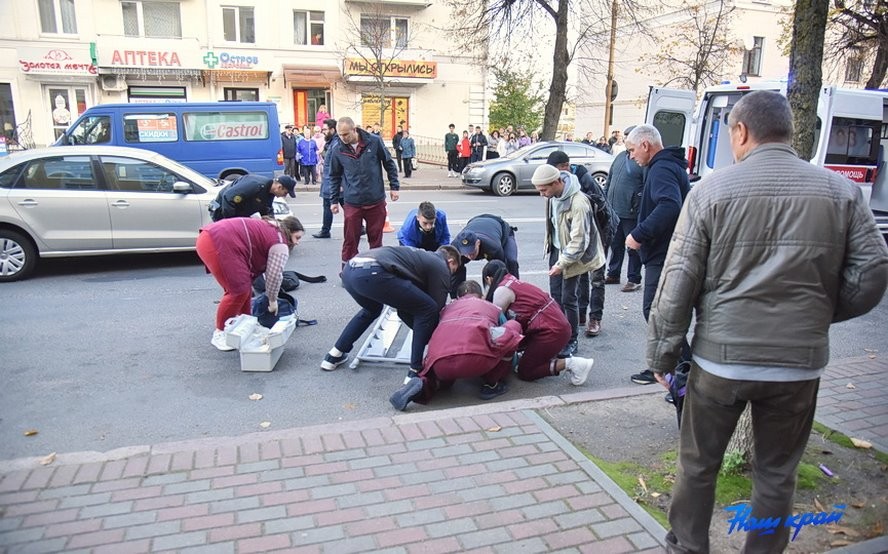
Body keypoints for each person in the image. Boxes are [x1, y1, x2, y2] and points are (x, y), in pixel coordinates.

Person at [648, 90, 888, 554]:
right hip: (797, 367)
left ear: (740, 132)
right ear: (790, 132)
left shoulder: (711, 192)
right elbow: (874, 270)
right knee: (777, 473)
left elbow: (677, 281)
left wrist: (662, 352)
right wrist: (821, 313)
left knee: (698, 465)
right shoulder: (840, 191)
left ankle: (688, 547)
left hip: (721, 363)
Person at [320, 245, 462, 382]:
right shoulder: (440, 264)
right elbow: (435, 308)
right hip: (374, 272)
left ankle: (334, 356)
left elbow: (406, 304)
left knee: (371, 310)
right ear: (451, 262)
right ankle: (415, 371)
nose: (450, 275)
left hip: (351, 270)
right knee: (427, 308)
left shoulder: (419, 257)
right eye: (453, 271)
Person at [624, 124, 691, 386]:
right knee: (661, 315)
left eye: (631, 150)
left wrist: (639, 234)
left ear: (645, 144)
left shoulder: (661, 168)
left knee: (656, 313)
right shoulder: (666, 165)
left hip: (663, 255)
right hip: (666, 252)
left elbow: (669, 206)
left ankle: (682, 369)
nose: (631, 156)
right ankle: (670, 368)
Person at [390, 280, 525, 410]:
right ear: (482, 296)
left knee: (443, 348)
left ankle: (425, 383)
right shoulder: (492, 307)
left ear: (458, 297)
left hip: (440, 363)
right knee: (513, 327)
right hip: (478, 358)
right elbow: (504, 337)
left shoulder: (445, 310)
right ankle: (492, 384)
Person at [196, 216, 305, 351]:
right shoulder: (280, 244)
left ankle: (247, 324)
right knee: (237, 291)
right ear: (289, 232)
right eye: (297, 237)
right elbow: (274, 276)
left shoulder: (273, 228)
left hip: (213, 237)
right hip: (218, 242)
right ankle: (220, 333)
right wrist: (272, 300)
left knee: (244, 288)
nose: (297, 243)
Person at [531, 164, 604, 358]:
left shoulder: (579, 203)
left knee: (568, 298)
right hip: (558, 251)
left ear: (557, 182)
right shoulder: (553, 196)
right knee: (556, 297)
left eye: (544, 190)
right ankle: (559, 335)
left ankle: (572, 341)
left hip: (573, 257)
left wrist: (561, 264)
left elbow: (579, 242)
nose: (542, 195)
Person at [482, 260, 595, 385]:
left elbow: (494, 322)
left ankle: (573, 364)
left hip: (551, 331)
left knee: (525, 371)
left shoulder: (502, 290)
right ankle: (537, 358)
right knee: (519, 342)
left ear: (488, 279)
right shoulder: (513, 281)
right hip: (556, 326)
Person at [546, 151, 610, 338]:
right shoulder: (553, 191)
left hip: (595, 234)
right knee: (571, 288)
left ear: (565, 167)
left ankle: (594, 317)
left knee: (596, 278)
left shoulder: (584, 182)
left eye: (555, 170)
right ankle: (578, 316)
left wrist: (601, 240)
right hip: (570, 243)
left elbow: (601, 210)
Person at [328, 117, 400, 267]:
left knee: (376, 238)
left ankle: (376, 267)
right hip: (353, 202)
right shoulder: (337, 149)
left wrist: (394, 186)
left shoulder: (374, 141)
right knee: (350, 239)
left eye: (346, 134)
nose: (343, 138)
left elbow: (388, 163)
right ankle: (347, 269)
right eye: (340, 135)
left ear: (354, 130)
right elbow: (334, 176)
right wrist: (333, 200)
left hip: (375, 199)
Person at [604, 125, 644, 292]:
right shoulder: (620, 156)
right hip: (614, 210)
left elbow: (644, 186)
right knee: (616, 243)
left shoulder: (641, 160)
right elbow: (610, 178)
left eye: (629, 136)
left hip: (631, 212)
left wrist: (637, 203)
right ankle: (613, 273)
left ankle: (634, 278)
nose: (626, 139)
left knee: (632, 246)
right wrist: (605, 200)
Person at [451, 213, 519, 296]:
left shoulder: (493, 247)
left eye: (472, 251)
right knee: (457, 267)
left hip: (501, 229)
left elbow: (500, 273)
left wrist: (491, 298)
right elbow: (452, 273)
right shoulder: (455, 248)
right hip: (476, 221)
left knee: (511, 261)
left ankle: (516, 293)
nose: (469, 256)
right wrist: (455, 297)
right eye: (466, 253)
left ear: (478, 243)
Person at [218, 174, 297, 220]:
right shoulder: (256, 185)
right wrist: (232, 222)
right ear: (279, 187)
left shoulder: (270, 193)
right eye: (285, 193)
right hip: (221, 212)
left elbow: (266, 210)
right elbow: (228, 197)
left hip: (239, 216)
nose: (284, 196)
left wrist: (272, 223)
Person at [313, 118, 340, 239]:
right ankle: (359, 228)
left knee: (329, 205)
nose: (323, 132)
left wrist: (341, 183)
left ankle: (325, 231)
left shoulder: (336, 144)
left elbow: (339, 164)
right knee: (342, 204)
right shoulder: (331, 143)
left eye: (325, 129)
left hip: (333, 181)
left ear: (333, 130)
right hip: (330, 180)